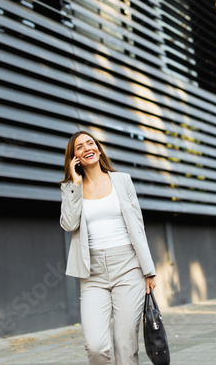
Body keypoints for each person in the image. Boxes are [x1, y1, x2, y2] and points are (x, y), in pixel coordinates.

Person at [60, 130, 156, 365]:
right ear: (74, 158)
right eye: (79, 147)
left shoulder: (122, 180)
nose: (86, 148)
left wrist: (148, 271)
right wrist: (75, 184)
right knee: (96, 347)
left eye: (90, 143)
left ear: (99, 149)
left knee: (125, 346)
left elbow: (138, 226)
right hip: (92, 273)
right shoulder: (72, 187)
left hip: (128, 267)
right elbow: (68, 224)